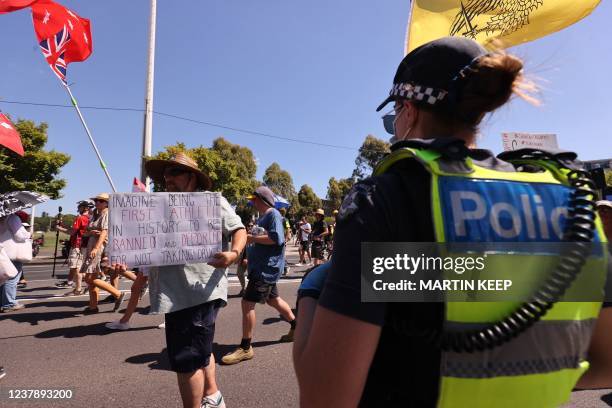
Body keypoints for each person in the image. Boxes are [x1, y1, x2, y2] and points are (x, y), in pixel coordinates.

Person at [292, 36, 612, 407]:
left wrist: (312, 293)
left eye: (392, 117)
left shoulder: (384, 199)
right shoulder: (570, 199)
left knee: (318, 278)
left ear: (408, 110)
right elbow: (605, 366)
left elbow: (324, 398)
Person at [114, 152, 246, 408]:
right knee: (200, 349)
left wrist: (233, 253)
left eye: (174, 173)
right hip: (173, 293)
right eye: (165, 175)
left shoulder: (210, 202)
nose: (168, 179)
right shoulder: (158, 207)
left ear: (192, 177)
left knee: (187, 361)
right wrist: (124, 257)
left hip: (199, 291)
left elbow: (239, 229)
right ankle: (214, 395)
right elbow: (143, 243)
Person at [221, 186, 296, 365]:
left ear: (262, 199)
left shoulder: (273, 214)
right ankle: (297, 326)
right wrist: (249, 256)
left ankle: (246, 348)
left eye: (253, 199)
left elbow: (277, 239)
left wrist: (252, 238)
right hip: (260, 267)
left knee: (247, 304)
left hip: (266, 269)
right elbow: (260, 240)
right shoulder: (262, 217)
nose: (251, 202)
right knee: (273, 300)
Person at [80, 193, 125, 313]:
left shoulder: (106, 213)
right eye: (96, 200)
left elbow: (105, 232)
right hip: (92, 246)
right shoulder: (95, 214)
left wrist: (96, 248)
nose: (97, 202)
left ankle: (117, 293)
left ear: (107, 203)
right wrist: (90, 232)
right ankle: (93, 306)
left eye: (100, 200)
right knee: (92, 277)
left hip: (98, 247)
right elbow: (86, 232)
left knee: (89, 278)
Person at [56, 200, 92, 291]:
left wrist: (59, 228)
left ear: (85, 208)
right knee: (78, 266)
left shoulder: (80, 218)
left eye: (80, 206)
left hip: (77, 244)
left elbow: (72, 232)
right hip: (85, 244)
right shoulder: (91, 218)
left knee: (76, 266)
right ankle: (74, 283)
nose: (78, 208)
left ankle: (79, 287)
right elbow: (76, 229)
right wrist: (63, 226)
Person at [0, 212, 30, 312]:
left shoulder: (2, 217)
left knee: (3, 278)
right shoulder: (13, 218)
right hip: (13, 252)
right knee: (12, 279)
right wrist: (28, 234)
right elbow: (19, 236)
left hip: (3, 250)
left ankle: (2, 302)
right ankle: (9, 303)